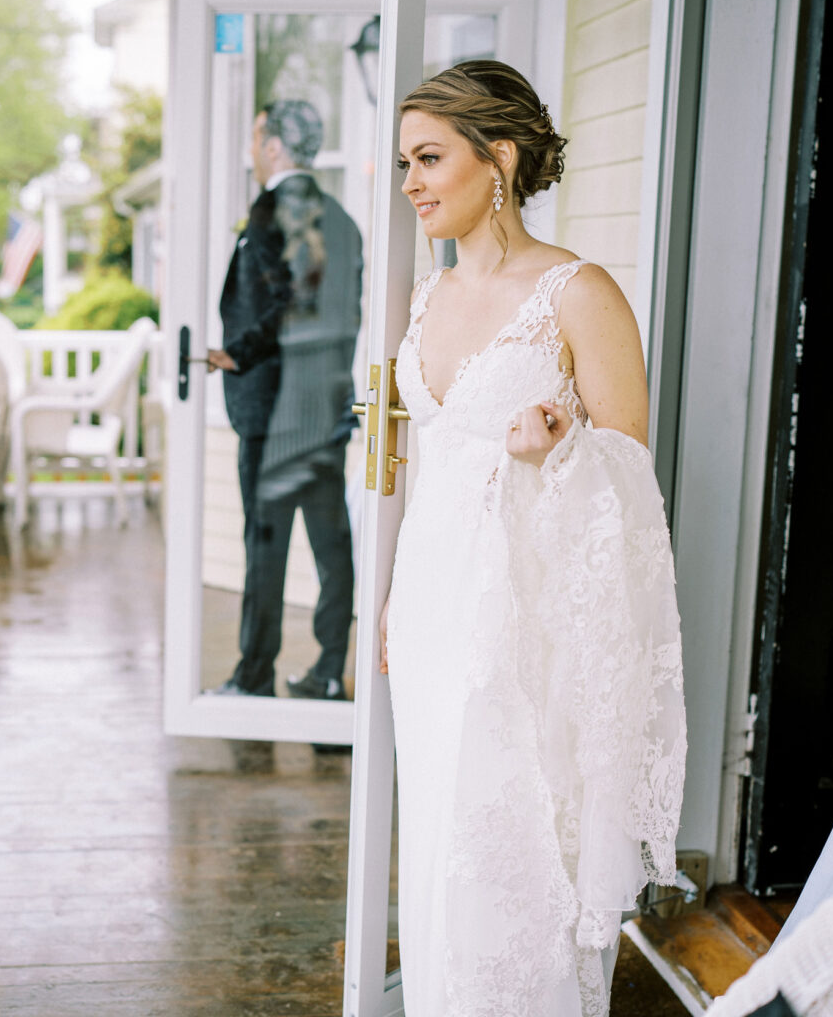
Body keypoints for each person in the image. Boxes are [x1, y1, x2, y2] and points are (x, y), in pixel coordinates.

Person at [380, 60, 687, 1015]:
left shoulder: (577, 292)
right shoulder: (427, 298)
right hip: (434, 600)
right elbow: (434, 461)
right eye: (405, 164)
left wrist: (556, 454)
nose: (412, 185)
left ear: (498, 157)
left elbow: (632, 478)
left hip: (523, 610)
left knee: (509, 835)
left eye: (429, 158)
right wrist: (391, 600)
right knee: (437, 839)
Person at [207, 100, 364, 701]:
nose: (251, 151)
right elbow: (340, 312)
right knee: (331, 549)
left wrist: (237, 351)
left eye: (254, 137)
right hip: (323, 408)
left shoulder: (275, 211)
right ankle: (327, 672)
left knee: (265, 548)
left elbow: (285, 303)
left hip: (273, 413)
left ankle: (253, 678)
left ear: (274, 146)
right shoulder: (343, 219)